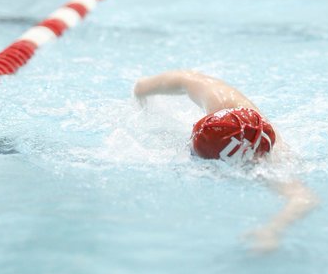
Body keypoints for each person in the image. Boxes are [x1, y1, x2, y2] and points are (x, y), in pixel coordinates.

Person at [134, 70, 318, 252]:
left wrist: (271, 231)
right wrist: (144, 86)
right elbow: (186, 79)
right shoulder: (224, 104)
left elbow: (304, 198)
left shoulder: (272, 164)